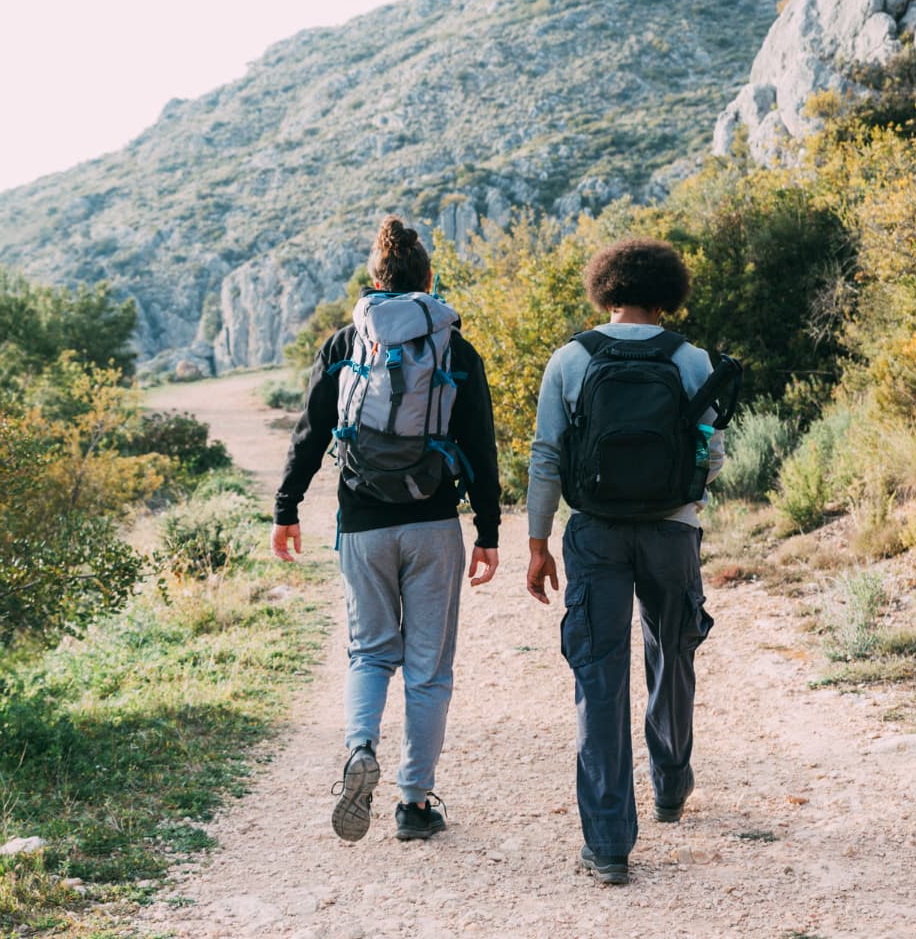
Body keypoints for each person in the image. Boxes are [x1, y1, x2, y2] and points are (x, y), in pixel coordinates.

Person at [272, 215, 502, 844]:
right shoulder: (453, 346)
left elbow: (312, 431)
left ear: (375, 281)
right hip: (432, 523)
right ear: (428, 281)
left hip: (364, 523)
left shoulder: (347, 342)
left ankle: (358, 749)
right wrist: (488, 529)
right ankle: (413, 802)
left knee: (370, 652)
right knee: (428, 669)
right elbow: (479, 444)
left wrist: (287, 507)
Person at [524, 238, 725, 884]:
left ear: (604, 289)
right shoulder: (692, 359)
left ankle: (609, 845)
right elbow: (712, 456)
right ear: (668, 292)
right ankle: (671, 781)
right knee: (672, 653)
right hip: (672, 533)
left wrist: (537, 542)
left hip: (597, 536)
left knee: (599, 677)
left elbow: (547, 456)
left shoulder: (571, 358)